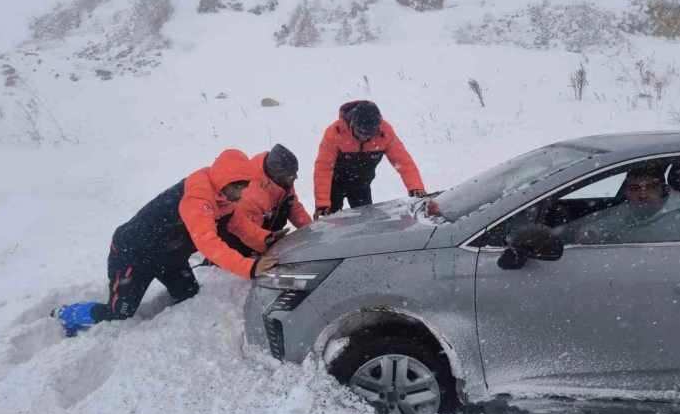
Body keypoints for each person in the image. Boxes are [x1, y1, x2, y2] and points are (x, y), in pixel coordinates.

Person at [51, 149, 278, 336]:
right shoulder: (197, 197)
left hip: (169, 258)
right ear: (225, 180)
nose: (240, 194)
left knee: (188, 294)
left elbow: (237, 223)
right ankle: (68, 315)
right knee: (118, 314)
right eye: (238, 187)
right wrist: (249, 267)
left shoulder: (222, 195)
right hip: (134, 256)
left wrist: (264, 239)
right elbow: (208, 244)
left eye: (244, 188)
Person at [313, 100, 426, 219]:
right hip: (333, 184)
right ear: (352, 123)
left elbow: (403, 161)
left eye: (368, 134)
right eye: (359, 132)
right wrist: (322, 203)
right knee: (330, 221)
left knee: (366, 220)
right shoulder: (335, 132)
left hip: (361, 184)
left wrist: (415, 186)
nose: (363, 137)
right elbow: (323, 168)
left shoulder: (385, 132)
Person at [564, 164, 680, 245]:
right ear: (627, 192)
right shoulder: (627, 211)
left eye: (651, 187)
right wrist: (590, 233)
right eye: (635, 188)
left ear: (664, 191)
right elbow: (603, 225)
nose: (643, 195)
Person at [216, 144, 311, 256]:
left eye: (295, 171)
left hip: (265, 234)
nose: (295, 176)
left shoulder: (283, 183)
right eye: (291, 174)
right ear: (278, 175)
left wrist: (311, 230)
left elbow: (294, 208)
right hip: (239, 244)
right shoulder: (252, 193)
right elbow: (249, 233)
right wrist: (264, 251)